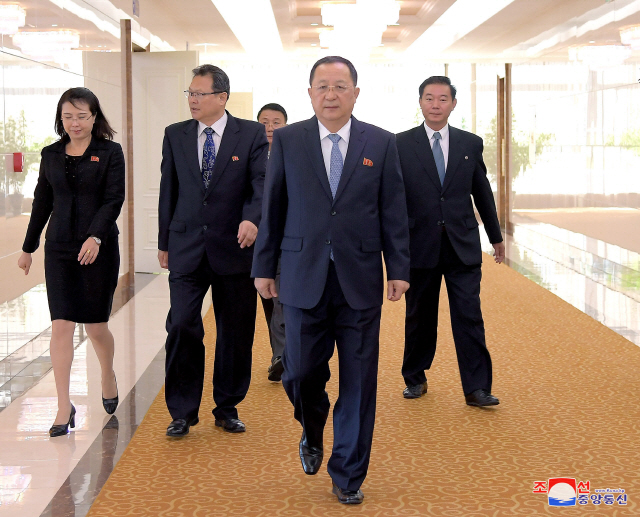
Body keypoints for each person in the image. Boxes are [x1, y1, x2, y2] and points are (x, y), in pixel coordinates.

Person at [252, 56, 410, 505]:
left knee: (359, 382)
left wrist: (398, 269)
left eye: (341, 86)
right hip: (301, 277)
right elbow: (273, 208)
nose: (331, 94)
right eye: (322, 86)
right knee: (299, 374)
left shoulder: (380, 143)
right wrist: (263, 266)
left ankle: (348, 474)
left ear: (356, 93)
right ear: (309, 93)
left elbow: (393, 210)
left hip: (359, 279)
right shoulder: (287, 139)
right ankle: (313, 427)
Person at [158, 64, 268, 437]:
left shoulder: (251, 134)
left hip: (235, 248)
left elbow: (260, 183)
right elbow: (168, 191)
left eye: (199, 93)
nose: (192, 99)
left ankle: (227, 405)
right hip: (186, 245)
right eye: (189, 93)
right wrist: (163, 242)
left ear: (221, 97)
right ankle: (182, 411)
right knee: (183, 325)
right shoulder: (175, 134)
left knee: (235, 331)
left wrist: (253, 219)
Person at [18, 87, 124, 437]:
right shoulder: (50, 154)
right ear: (60, 119)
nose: (75, 123)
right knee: (61, 325)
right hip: (60, 249)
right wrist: (28, 246)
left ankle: (107, 374)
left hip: (99, 248)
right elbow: (42, 202)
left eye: (82, 116)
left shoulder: (110, 152)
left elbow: (113, 199)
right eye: (68, 116)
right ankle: (64, 405)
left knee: (95, 327)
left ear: (95, 117)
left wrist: (95, 237)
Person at [396, 76, 504, 407]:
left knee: (469, 316)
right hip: (420, 245)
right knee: (420, 317)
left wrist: (496, 237)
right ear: (420, 102)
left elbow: (481, 191)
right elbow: (392, 197)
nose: (436, 104)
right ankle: (415, 376)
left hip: (462, 245)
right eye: (429, 98)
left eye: (443, 99)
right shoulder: (400, 144)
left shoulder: (470, 143)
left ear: (453, 104)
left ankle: (476, 388)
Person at [256, 102, 288, 381]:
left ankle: (281, 354)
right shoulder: (248, 154)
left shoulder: (293, 154)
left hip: (281, 237)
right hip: (250, 239)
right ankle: (279, 351)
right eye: (264, 121)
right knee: (267, 299)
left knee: (277, 295)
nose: (269, 127)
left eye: (276, 121)